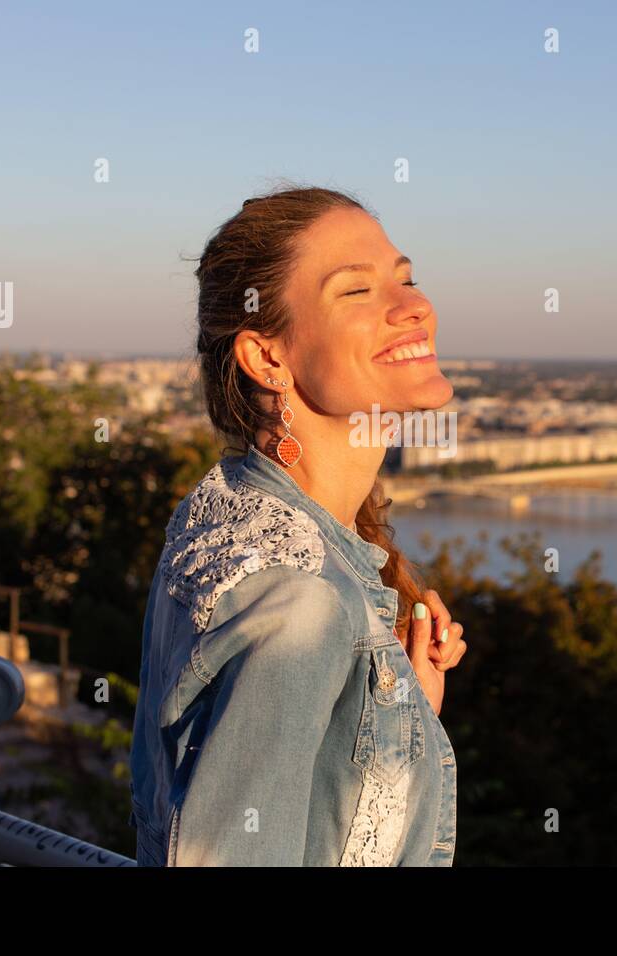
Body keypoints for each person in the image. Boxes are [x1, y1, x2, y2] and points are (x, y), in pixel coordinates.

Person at [130, 186, 467, 866]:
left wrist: (398, 703)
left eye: (406, 279)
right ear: (267, 358)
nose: (413, 307)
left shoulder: (228, 513)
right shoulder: (300, 598)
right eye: (357, 293)